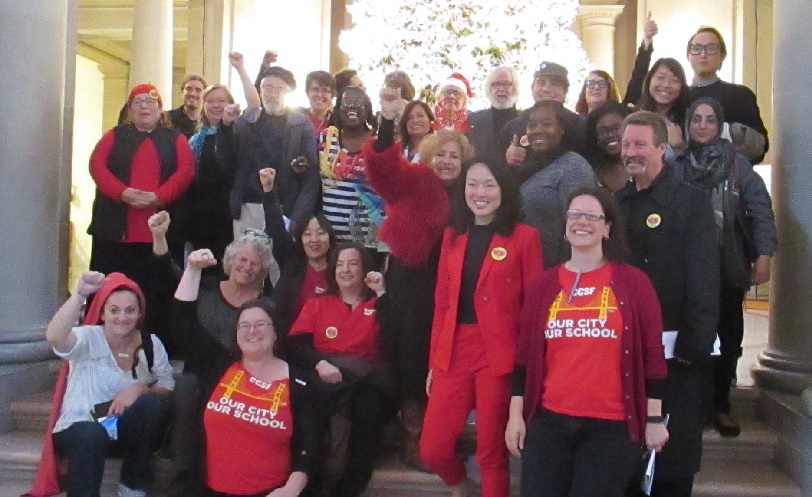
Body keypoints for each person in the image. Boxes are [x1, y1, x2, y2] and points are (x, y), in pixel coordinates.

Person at [506, 186, 668, 497]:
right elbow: (524, 357)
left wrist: (654, 419)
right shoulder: (544, 284)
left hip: (612, 427)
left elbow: (653, 356)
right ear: (565, 226)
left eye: (592, 216)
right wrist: (516, 417)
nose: (582, 222)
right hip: (549, 423)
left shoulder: (634, 283)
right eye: (574, 215)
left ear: (607, 228)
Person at [363, 87, 476, 469]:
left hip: (455, 286)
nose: (446, 160)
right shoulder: (412, 181)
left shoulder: (472, 193)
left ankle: (443, 434)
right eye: (440, 154)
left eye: (454, 155)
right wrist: (387, 121)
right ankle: (415, 439)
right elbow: (380, 167)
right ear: (428, 157)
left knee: (447, 359)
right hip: (412, 283)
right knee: (412, 357)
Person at [419, 159, 543, 497]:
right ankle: (463, 487)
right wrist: (434, 360)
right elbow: (442, 304)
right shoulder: (452, 236)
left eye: (489, 184)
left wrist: (527, 366)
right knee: (433, 448)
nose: (480, 193)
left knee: (491, 452)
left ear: (503, 189)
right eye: (472, 184)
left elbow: (533, 308)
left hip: (500, 355)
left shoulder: (524, 237)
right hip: (454, 349)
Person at [616, 111, 719, 497]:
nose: (631, 152)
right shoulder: (618, 203)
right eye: (626, 144)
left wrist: (694, 348)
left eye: (640, 144)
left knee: (673, 463)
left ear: (662, 147)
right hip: (627, 352)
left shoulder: (690, 202)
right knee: (627, 460)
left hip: (679, 354)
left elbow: (705, 278)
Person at [672, 98, 777, 437]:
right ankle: (696, 406)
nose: (703, 125)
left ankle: (721, 406)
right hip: (686, 270)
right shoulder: (677, 164)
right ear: (688, 124)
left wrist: (764, 255)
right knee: (691, 339)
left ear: (720, 126)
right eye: (697, 119)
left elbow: (761, 210)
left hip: (727, 266)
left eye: (710, 120)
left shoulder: (738, 165)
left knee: (728, 338)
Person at [172, 262, 320, 497]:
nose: (252, 331)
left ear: (275, 333)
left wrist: (291, 489)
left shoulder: (300, 383)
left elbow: (310, 445)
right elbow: (182, 322)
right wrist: (191, 269)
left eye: (261, 324)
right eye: (244, 326)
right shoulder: (218, 367)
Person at [164, 229, 278, 497]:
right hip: (199, 379)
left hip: (240, 383)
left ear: (262, 269)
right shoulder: (205, 288)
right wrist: (191, 267)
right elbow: (180, 324)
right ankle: (184, 486)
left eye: (255, 263)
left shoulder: (264, 305)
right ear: (231, 259)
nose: (247, 267)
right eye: (243, 259)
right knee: (187, 389)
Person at [87, 82, 195, 357]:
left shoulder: (176, 138)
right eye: (139, 102)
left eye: (151, 102)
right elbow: (97, 166)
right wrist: (122, 193)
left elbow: (186, 171)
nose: (145, 107)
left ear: (160, 109)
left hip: (158, 236)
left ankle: (156, 350)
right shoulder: (114, 135)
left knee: (157, 294)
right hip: (116, 234)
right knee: (110, 290)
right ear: (130, 109)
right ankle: (103, 348)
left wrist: (158, 197)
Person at [46, 271, 174, 497]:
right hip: (79, 428)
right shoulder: (88, 337)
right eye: (114, 310)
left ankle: (132, 485)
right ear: (103, 313)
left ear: (139, 313)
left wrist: (139, 389)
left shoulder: (151, 344)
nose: (122, 318)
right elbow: (55, 337)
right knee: (91, 434)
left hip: (118, 430)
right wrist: (80, 294)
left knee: (153, 403)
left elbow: (167, 387)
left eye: (130, 310)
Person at [288, 243, 397, 497]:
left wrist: (382, 295)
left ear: (365, 269)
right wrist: (320, 364)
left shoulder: (379, 304)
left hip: (367, 380)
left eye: (353, 263)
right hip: (324, 374)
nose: (345, 270)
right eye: (339, 264)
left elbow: (394, 340)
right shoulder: (318, 304)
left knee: (368, 407)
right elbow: (297, 344)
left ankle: (350, 488)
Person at [177, 52, 260, 274]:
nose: (215, 106)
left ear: (230, 104)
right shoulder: (196, 139)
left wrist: (240, 69)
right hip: (201, 215)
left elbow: (254, 105)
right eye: (210, 101)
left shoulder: (241, 128)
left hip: (231, 213)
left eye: (221, 101)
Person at [217, 64, 319, 237]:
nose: (272, 94)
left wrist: (298, 215)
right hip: (248, 207)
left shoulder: (301, 125)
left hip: (284, 207)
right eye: (267, 88)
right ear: (260, 90)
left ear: (288, 93)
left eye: (279, 89)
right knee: (245, 261)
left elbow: (311, 177)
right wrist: (226, 127)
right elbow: (225, 162)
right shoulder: (245, 121)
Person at [515, 100, 597, 268]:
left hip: (560, 272)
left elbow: (580, 227)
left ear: (562, 128)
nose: (538, 130)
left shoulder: (573, 166)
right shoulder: (526, 167)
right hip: (528, 268)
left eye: (546, 124)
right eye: (532, 125)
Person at [258, 167, 337, 335]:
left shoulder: (339, 267)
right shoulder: (292, 261)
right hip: (290, 336)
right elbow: (276, 229)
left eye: (320, 233)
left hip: (328, 337)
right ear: (300, 239)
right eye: (307, 234)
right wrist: (269, 191)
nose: (314, 239)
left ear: (330, 237)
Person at [687, 26, 769, 163]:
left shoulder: (740, 95)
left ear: (722, 56)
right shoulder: (677, 95)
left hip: (729, 177)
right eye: (696, 48)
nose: (703, 54)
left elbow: (759, 146)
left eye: (711, 48)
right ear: (688, 56)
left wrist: (727, 132)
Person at [319, 85, 384, 253]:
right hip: (331, 241)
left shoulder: (379, 144)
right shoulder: (325, 138)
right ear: (338, 109)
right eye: (347, 103)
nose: (352, 108)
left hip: (370, 242)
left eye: (358, 103)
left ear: (368, 109)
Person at [504, 61, 586, 164]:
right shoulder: (515, 126)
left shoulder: (580, 126)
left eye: (554, 83)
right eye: (541, 82)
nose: (546, 89)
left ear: (565, 91)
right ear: (532, 88)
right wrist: (507, 159)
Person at [468, 66, 520, 168]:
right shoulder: (473, 120)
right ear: (489, 89)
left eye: (506, 84)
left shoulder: (527, 120)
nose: (501, 89)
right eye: (495, 84)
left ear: (515, 88)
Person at [639, 58, 691, 150]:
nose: (666, 84)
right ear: (649, 80)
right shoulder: (637, 116)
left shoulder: (689, 119)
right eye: (661, 78)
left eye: (674, 80)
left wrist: (679, 146)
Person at [584, 102, 632, 192]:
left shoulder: (647, 164)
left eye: (616, 128)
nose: (610, 135)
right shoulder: (591, 174)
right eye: (603, 131)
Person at [300, 71, 336, 136]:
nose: (319, 95)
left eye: (325, 90)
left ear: (332, 95)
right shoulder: (296, 119)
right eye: (315, 89)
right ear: (307, 93)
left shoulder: (337, 123)